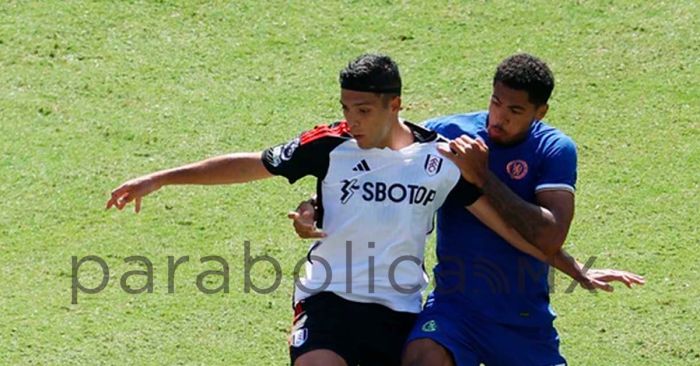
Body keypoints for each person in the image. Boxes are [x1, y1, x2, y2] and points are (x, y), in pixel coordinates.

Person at [108, 53, 563, 366]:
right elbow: (251, 163)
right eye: (346, 107)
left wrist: (573, 267)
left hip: (397, 309)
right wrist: (161, 177)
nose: (353, 120)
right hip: (327, 297)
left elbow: (504, 226)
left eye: (364, 109)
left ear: (395, 105)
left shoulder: (439, 161)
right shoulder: (330, 145)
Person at [289, 54, 645, 366]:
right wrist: (316, 205)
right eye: (495, 102)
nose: (498, 118)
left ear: (541, 112)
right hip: (454, 310)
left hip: (520, 316)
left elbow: (549, 235)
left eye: (515, 111)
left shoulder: (553, 149)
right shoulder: (450, 135)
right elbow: (379, 159)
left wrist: (482, 176)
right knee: (421, 357)